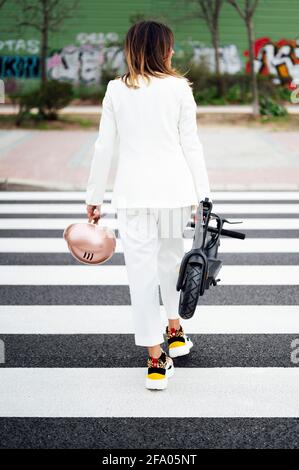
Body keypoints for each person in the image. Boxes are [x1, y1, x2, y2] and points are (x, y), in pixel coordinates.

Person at [85, 20, 212, 391]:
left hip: (133, 197)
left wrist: (94, 198)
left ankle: (156, 358)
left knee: (140, 277)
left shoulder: (115, 90)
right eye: (170, 47)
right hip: (174, 195)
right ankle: (175, 330)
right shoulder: (179, 88)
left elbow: (103, 147)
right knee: (171, 262)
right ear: (164, 50)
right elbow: (192, 145)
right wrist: (203, 196)